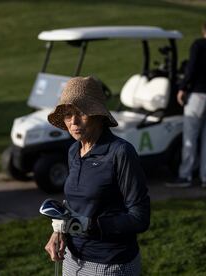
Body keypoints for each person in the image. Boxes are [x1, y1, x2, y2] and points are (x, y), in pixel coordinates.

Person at [44, 76, 150, 276]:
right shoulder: (73, 151)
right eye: (68, 115)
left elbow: (140, 218)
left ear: (99, 115)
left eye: (81, 113)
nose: (73, 122)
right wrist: (59, 231)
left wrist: (91, 226)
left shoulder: (121, 152)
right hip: (72, 258)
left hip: (110, 264)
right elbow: (76, 204)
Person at [167, 19, 206, 188]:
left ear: (204, 30)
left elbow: (191, 69)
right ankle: (205, 177)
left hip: (199, 97)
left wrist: (182, 87)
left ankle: (185, 175)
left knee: (191, 137)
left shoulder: (199, 45)